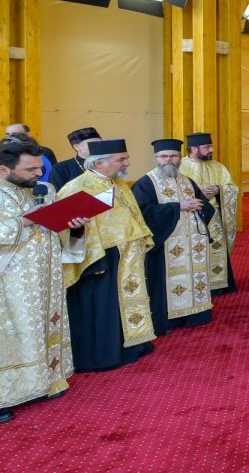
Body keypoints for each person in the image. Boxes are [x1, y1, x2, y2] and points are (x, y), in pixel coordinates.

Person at [0, 143, 78, 425]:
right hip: (2, 282)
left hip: (44, 276)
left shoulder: (44, 190)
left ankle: (42, 382)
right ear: (2, 169)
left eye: (40, 167)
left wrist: (75, 225)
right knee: (7, 336)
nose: (39, 173)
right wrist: (22, 222)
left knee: (39, 327)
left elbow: (55, 228)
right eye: (31, 169)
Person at [59, 139, 156, 372]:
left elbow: (133, 215)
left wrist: (141, 241)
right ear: (99, 163)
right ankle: (105, 355)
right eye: (121, 159)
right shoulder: (76, 188)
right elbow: (67, 229)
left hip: (127, 255)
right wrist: (93, 260)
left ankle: (133, 345)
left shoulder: (119, 184)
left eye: (126, 157)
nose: (127, 162)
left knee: (125, 301)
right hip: (99, 258)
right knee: (104, 307)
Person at [132, 139, 214, 336]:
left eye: (173, 156)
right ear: (155, 158)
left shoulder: (186, 180)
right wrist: (178, 207)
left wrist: (199, 207)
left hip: (192, 243)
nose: (168, 160)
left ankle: (195, 314)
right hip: (165, 245)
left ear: (179, 158)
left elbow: (205, 207)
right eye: (163, 156)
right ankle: (168, 319)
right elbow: (142, 213)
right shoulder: (145, 183)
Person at [180, 132, 239, 296]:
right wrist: (197, 194)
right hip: (191, 216)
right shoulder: (180, 167)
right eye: (207, 147)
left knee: (216, 248)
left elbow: (232, 188)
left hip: (214, 216)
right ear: (194, 149)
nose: (211, 150)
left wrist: (220, 189)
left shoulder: (218, 167)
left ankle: (217, 285)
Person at [48, 127, 101, 192]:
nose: (98, 146)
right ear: (77, 147)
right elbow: (56, 196)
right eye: (92, 143)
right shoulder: (61, 169)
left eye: (100, 143)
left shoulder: (108, 163)